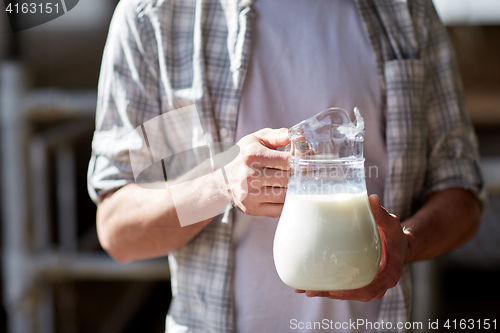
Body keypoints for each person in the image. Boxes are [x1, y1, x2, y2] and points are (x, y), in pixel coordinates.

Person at [88, 0, 484, 332]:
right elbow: (117, 229)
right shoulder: (158, 16)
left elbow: (461, 195)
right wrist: (220, 186)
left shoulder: (404, 10)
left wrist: (407, 242)